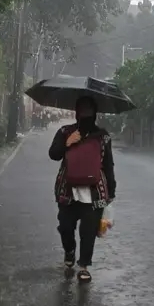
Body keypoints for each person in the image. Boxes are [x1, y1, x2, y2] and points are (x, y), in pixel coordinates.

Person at [48, 96, 116, 282]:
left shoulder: (103, 137)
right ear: (77, 112)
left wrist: (111, 191)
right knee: (65, 226)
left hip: (94, 193)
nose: (86, 115)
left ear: (95, 113)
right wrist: (67, 143)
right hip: (67, 191)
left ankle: (84, 265)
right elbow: (53, 154)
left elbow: (108, 165)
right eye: (82, 110)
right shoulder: (65, 132)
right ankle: (69, 250)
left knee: (89, 231)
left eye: (89, 111)